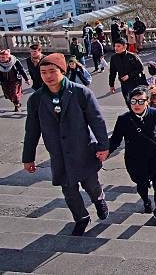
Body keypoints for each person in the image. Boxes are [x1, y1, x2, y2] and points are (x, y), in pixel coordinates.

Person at [22, 53, 109, 236]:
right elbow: (32, 130)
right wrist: (28, 158)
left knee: (91, 185)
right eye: (43, 72)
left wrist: (103, 146)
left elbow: (97, 121)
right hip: (59, 154)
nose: (47, 76)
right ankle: (81, 217)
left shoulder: (80, 92)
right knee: (69, 190)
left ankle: (99, 200)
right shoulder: (36, 99)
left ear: (63, 70)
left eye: (52, 71)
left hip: (83, 150)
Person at [109, 86, 156, 227]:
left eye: (141, 101)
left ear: (147, 101)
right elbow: (115, 140)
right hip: (135, 160)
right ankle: (146, 201)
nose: (137, 105)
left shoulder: (155, 113)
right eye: (134, 101)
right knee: (141, 185)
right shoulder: (124, 119)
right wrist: (104, 152)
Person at [109, 38, 147, 106]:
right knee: (128, 102)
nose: (116, 48)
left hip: (135, 82)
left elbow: (140, 68)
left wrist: (129, 76)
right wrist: (111, 85)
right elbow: (112, 72)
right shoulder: (114, 58)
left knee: (136, 102)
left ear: (125, 46)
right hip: (124, 84)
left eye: (118, 46)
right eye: (115, 46)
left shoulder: (132, 56)